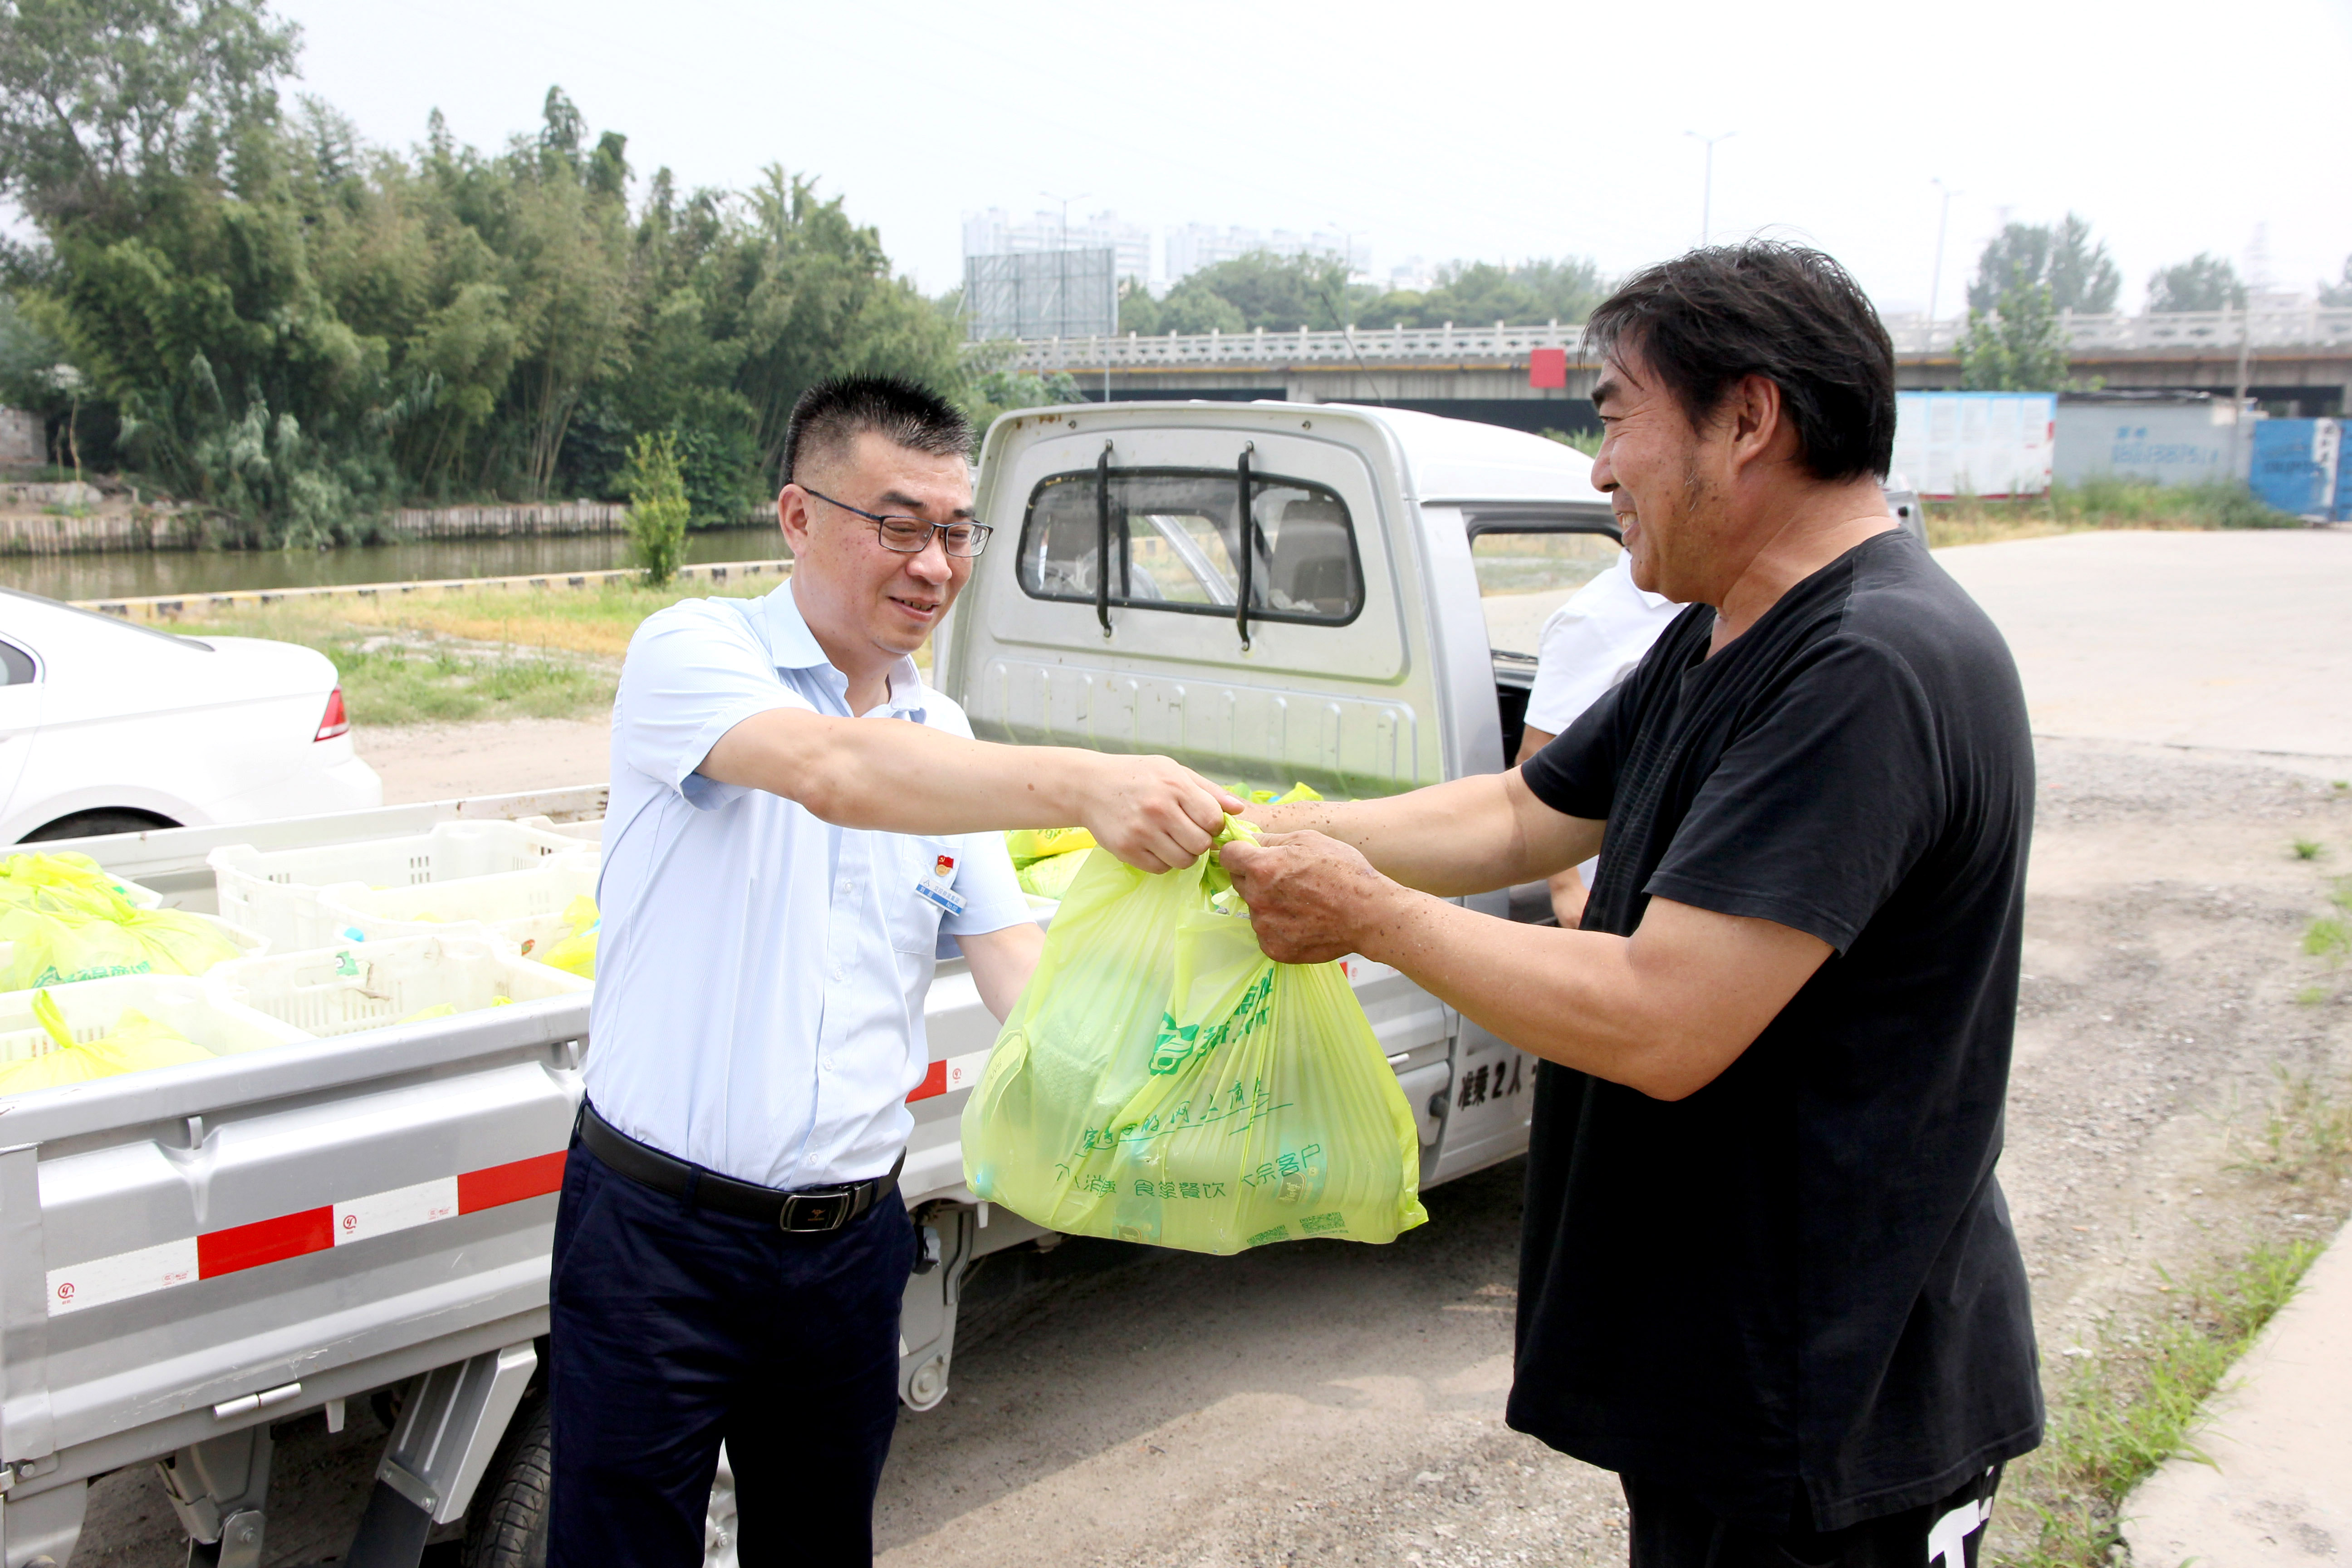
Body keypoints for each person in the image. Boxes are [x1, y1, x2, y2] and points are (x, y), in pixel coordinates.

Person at [1224, 243, 2041, 1568]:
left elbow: (1666, 1020)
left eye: (1614, 419)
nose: (1599, 469)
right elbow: (1522, 811)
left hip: (1833, 1404)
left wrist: (1365, 913)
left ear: (1749, 417)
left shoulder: (1866, 665)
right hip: (1728, 1375)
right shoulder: (1722, 631)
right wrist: (1262, 832)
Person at [549, 376, 1241, 1566]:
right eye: (898, 525)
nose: (932, 565)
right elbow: (832, 774)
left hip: (851, 1245)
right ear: (798, 516)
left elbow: (1012, 958)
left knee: (823, 1545)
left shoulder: (945, 737)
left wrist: (1178, 1046)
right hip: (660, 1237)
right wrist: (1088, 782)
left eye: (956, 533)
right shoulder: (694, 652)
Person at [1514, 550, 1681, 926]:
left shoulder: (1702, 606)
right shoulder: (1595, 617)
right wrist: (1565, 887)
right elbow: (1536, 753)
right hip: (1613, 877)